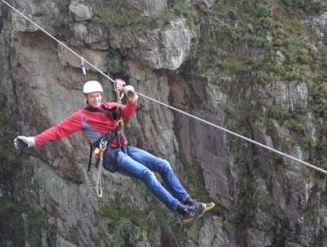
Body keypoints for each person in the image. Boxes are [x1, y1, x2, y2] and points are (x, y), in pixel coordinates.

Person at [14, 79, 213, 221]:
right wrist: (32, 141)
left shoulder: (108, 107)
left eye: (98, 95)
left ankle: (190, 202)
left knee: (163, 165)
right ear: (86, 98)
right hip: (111, 156)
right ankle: (180, 210)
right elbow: (58, 131)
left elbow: (126, 111)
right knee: (147, 174)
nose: (96, 99)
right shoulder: (81, 117)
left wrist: (131, 98)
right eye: (92, 97)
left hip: (126, 149)